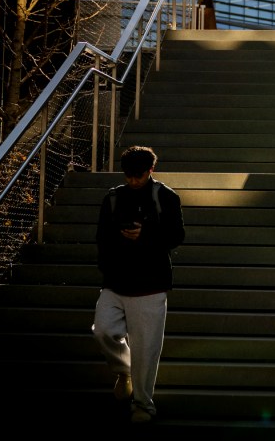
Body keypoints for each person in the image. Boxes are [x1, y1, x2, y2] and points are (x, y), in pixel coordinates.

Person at [92, 145, 185, 424]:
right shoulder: (113, 197)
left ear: (150, 170)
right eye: (129, 175)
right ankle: (124, 370)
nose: (133, 180)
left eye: (139, 176)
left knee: (146, 349)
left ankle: (144, 404)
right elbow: (102, 236)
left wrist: (146, 234)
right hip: (116, 281)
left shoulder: (165, 197)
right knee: (103, 330)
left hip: (151, 283)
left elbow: (176, 236)